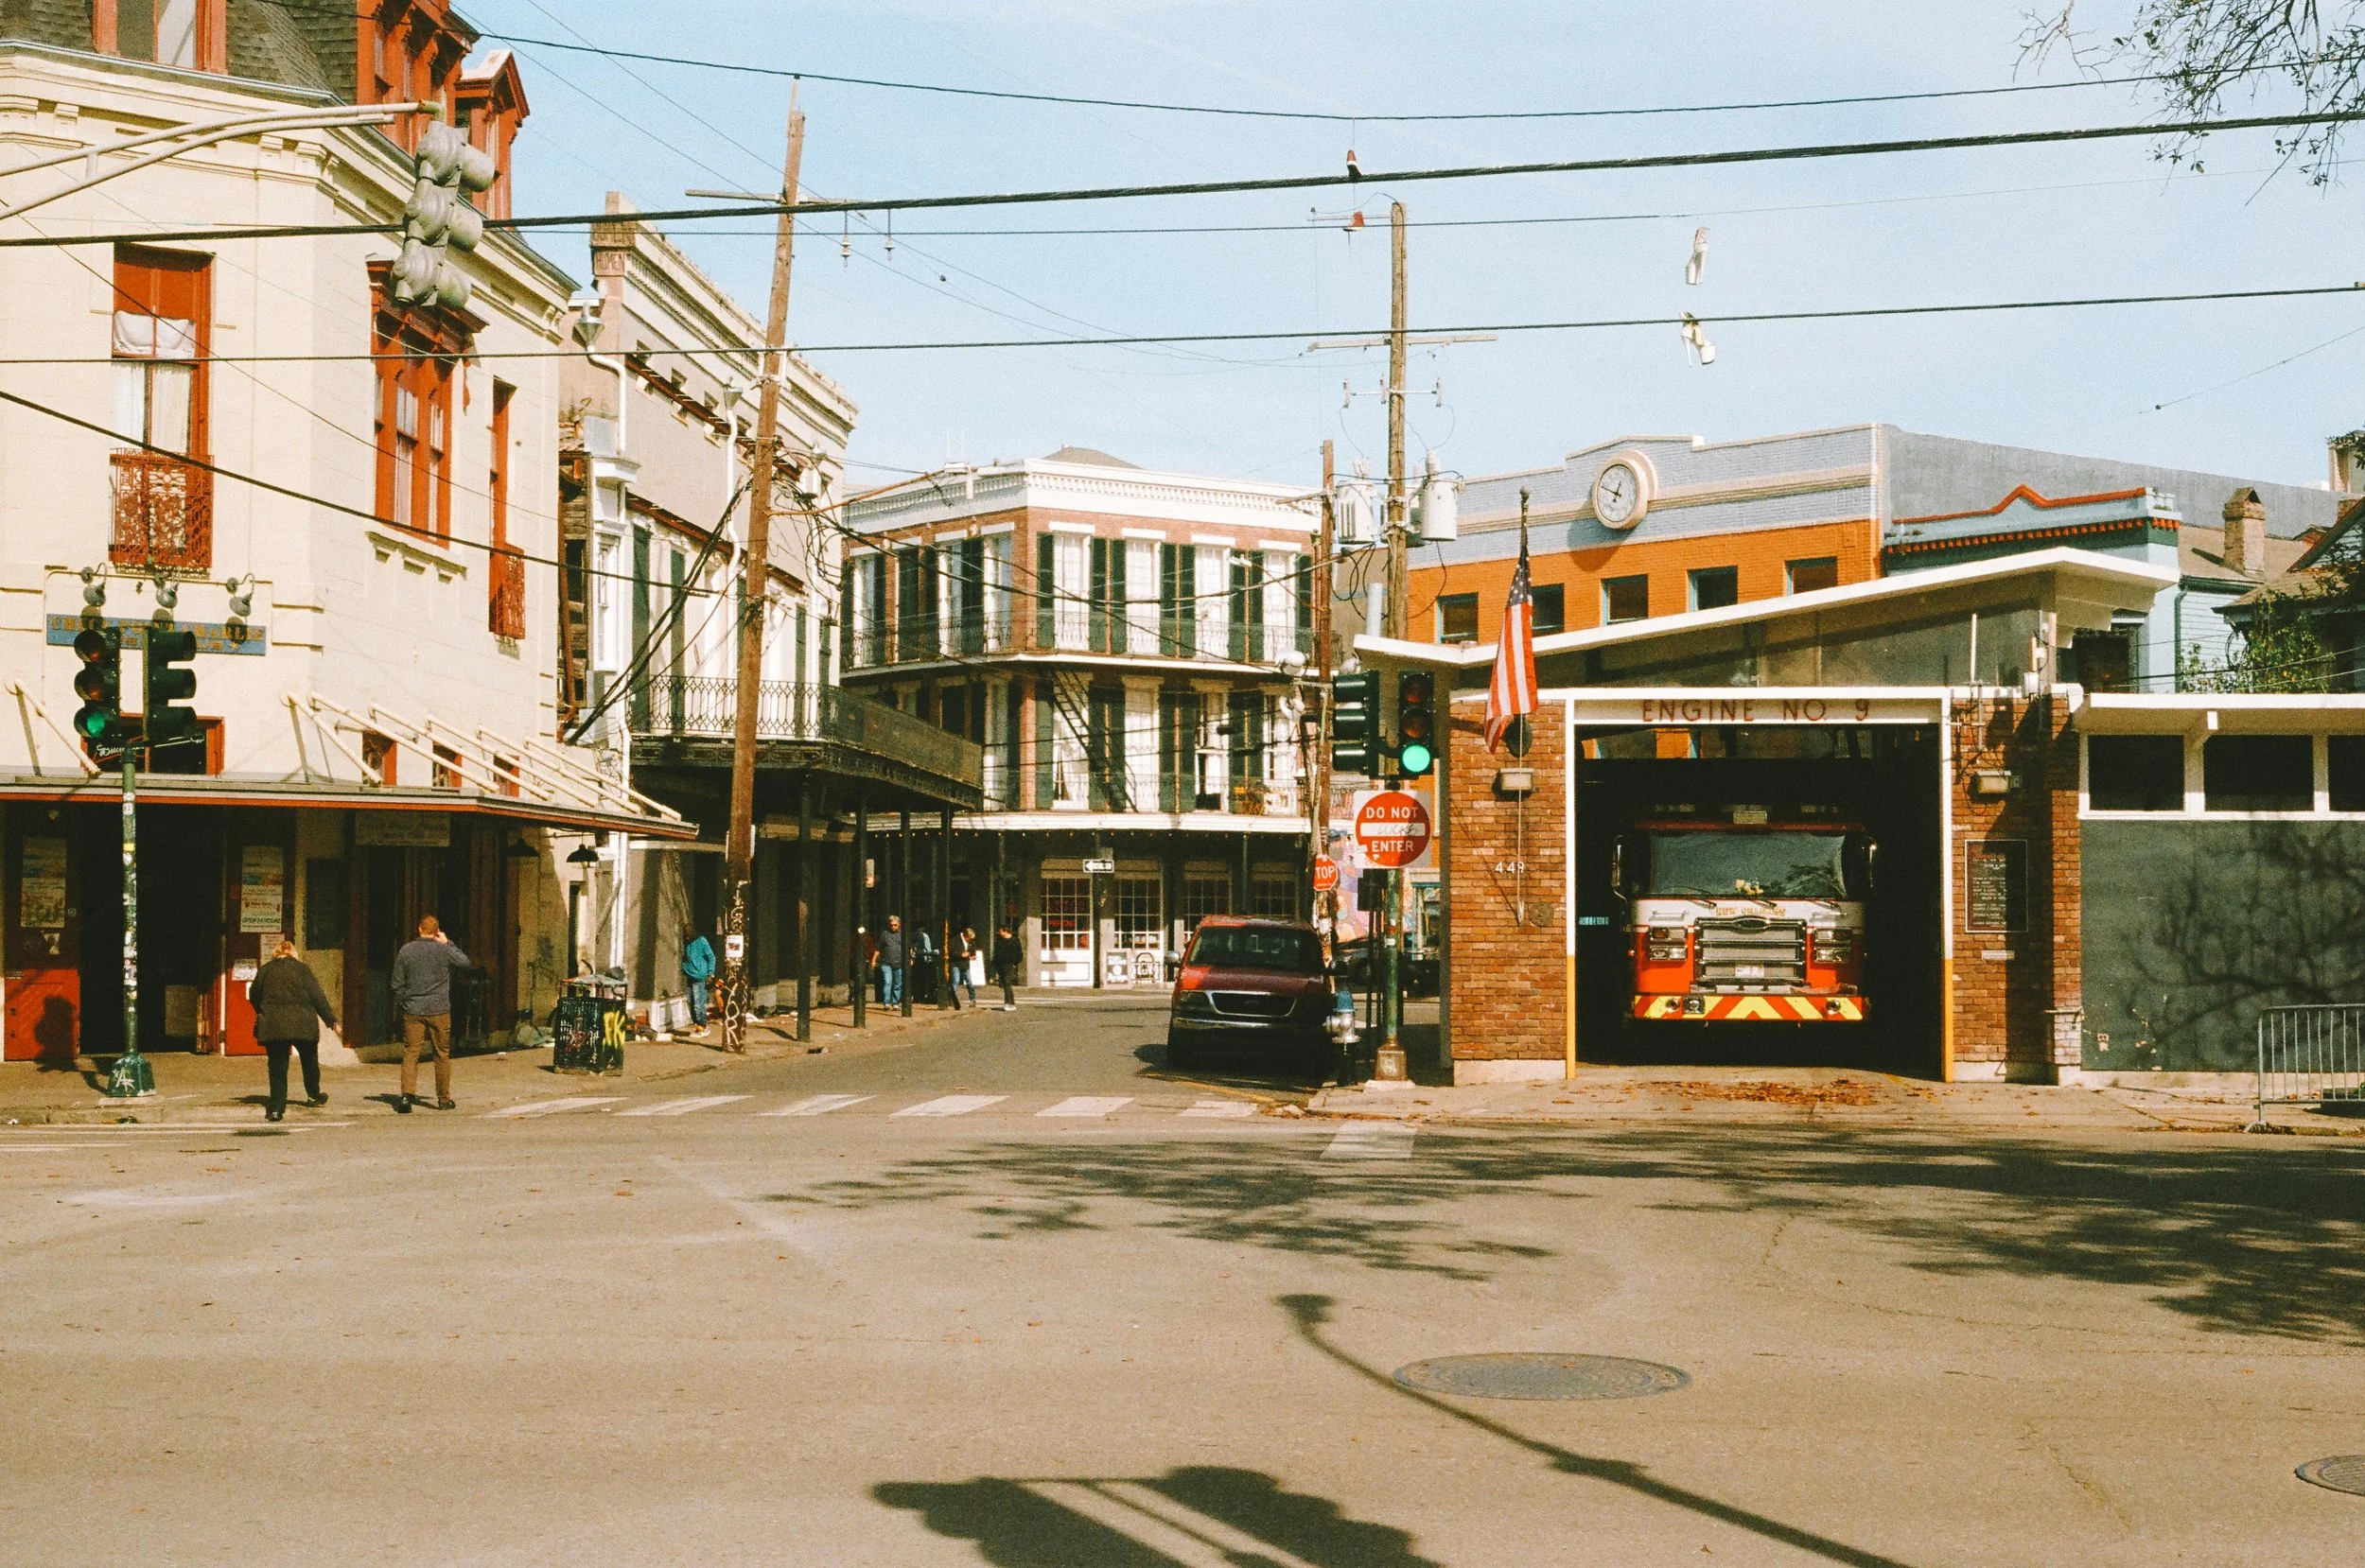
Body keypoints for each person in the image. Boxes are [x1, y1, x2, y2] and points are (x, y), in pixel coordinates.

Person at [248, 939, 336, 1123]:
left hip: (274, 1025)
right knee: (309, 1060)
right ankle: (314, 1095)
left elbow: (254, 995)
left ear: (276, 953)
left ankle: (276, 1108)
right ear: (293, 953)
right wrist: (332, 1021)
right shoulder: (302, 969)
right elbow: (317, 996)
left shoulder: (265, 970)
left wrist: (263, 1011)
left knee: (278, 1066)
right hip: (302, 1023)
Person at [391, 914, 471, 1113]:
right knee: (442, 1053)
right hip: (439, 1009)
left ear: (419, 928)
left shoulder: (406, 950)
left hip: (413, 1009)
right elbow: (465, 962)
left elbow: (396, 983)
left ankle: (406, 1097)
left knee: (411, 1052)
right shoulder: (444, 950)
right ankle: (443, 1099)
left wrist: (403, 1002)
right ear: (437, 932)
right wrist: (448, 943)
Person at [680, 930, 716, 1028]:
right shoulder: (687, 943)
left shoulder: (702, 941)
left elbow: (711, 957)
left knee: (698, 1004)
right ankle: (698, 1025)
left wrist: (710, 974)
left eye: (688, 934)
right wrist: (684, 967)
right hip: (689, 976)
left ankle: (703, 1025)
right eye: (685, 935)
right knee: (690, 1002)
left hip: (700, 977)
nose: (686, 937)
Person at [990, 922, 1022, 1012]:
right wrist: (994, 965)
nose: (999, 933)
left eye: (1000, 931)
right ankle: (1007, 1002)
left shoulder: (1015, 941)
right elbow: (996, 954)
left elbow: (1019, 954)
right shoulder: (999, 941)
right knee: (1004, 984)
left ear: (1005, 931)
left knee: (1007, 983)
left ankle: (1011, 1003)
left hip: (1009, 964)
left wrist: (1015, 963)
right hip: (1000, 965)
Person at [877, 915, 904, 1008]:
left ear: (899, 925)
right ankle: (887, 1002)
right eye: (891, 925)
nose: (893, 927)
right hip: (886, 962)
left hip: (898, 963)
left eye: (895, 925)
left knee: (898, 983)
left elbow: (908, 948)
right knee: (887, 982)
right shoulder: (885, 934)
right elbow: (878, 948)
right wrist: (874, 959)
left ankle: (895, 1002)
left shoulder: (902, 935)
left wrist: (911, 958)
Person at [955, 927, 981, 1009]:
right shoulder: (956, 940)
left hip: (965, 964)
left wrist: (971, 956)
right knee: (955, 981)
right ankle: (952, 1000)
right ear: (965, 936)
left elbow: (973, 952)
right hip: (956, 964)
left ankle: (973, 999)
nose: (970, 940)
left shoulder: (971, 943)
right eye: (969, 938)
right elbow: (952, 951)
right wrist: (961, 955)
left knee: (969, 982)